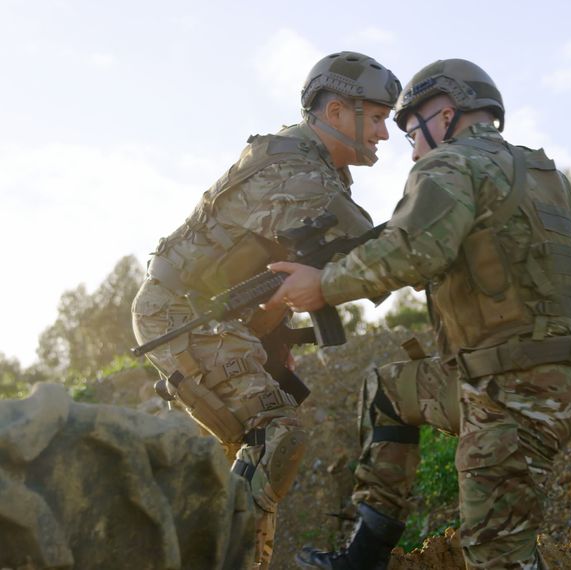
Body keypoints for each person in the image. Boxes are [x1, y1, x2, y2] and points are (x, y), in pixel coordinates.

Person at [269, 59, 571, 570]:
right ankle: (362, 558)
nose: (413, 149)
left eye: (412, 133)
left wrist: (323, 285)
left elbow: (410, 251)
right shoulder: (547, 176)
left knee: (496, 558)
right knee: (389, 391)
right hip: (541, 382)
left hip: (507, 399)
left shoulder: (448, 165)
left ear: (444, 116)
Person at [130, 51, 400, 569]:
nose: (385, 134)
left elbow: (291, 266)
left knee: (261, 442)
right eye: (380, 117)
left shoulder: (309, 164)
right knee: (276, 432)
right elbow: (379, 255)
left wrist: (274, 333)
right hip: (181, 316)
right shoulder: (297, 172)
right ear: (338, 111)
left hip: (220, 315)